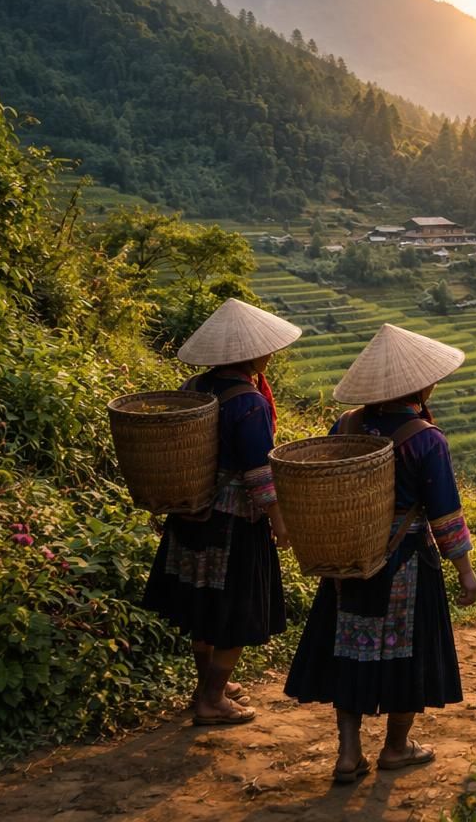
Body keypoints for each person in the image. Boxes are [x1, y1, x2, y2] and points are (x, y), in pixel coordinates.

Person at [285, 323, 476, 784]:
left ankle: (349, 751)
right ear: (421, 383)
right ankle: (396, 747)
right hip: (405, 561)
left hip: (349, 557)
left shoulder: (347, 424)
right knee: (406, 653)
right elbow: (444, 513)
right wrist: (466, 571)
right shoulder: (425, 438)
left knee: (349, 649)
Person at [142, 297, 301, 725]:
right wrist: (280, 522)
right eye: (266, 348)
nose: (270, 353)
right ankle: (211, 699)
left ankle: (208, 686)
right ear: (251, 352)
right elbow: (258, 473)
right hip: (234, 523)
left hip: (192, 514)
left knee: (204, 606)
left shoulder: (193, 388)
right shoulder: (248, 402)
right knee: (235, 610)